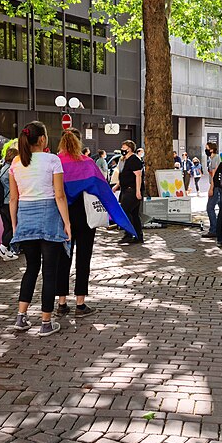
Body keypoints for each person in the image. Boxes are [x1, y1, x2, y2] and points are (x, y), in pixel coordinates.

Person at [55, 129, 135, 317]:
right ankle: (80, 304)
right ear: (79, 142)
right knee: (84, 258)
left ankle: (61, 303)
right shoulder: (88, 163)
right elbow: (103, 190)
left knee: (63, 258)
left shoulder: (56, 161)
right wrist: (117, 215)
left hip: (63, 214)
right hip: (86, 215)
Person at [9, 121, 71, 337]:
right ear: (43, 139)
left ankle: (21, 316)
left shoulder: (16, 162)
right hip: (49, 218)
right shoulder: (52, 160)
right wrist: (67, 223)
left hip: (26, 218)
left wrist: (16, 224)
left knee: (31, 269)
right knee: (49, 272)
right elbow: (59, 195)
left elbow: (13, 199)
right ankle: (46, 322)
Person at [113, 140, 144, 244]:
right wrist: (117, 186)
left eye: (124, 148)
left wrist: (138, 191)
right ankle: (138, 236)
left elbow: (138, 176)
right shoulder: (124, 160)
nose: (122, 149)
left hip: (132, 190)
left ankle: (129, 234)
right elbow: (123, 176)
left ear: (129, 149)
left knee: (125, 211)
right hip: (126, 189)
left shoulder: (134, 160)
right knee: (134, 214)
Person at [0, 147, 18, 261]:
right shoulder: (11, 170)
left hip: (1, 203)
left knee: (7, 226)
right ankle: (3, 247)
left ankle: (6, 251)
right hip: (9, 202)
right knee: (14, 226)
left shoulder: (2, 169)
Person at [202, 141, 221, 239]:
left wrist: (211, 188)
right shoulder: (213, 158)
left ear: (211, 149)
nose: (205, 150)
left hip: (216, 186)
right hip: (218, 186)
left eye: (207, 148)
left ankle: (214, 230)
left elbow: (214, 175)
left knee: (210, 208)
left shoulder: (215, 159)